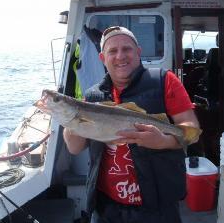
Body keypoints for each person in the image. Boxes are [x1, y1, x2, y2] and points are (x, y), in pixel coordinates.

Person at [63, 26, 200, 223]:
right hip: (106, 208)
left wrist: (162, 141)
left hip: (156, 210)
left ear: (138, 52)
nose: (120, 56)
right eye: (112, 51)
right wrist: (71, 118)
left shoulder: (164, 81)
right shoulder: (91, 97)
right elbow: (75, 148)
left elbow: (191, 131)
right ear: (103, 58)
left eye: (127, 49)